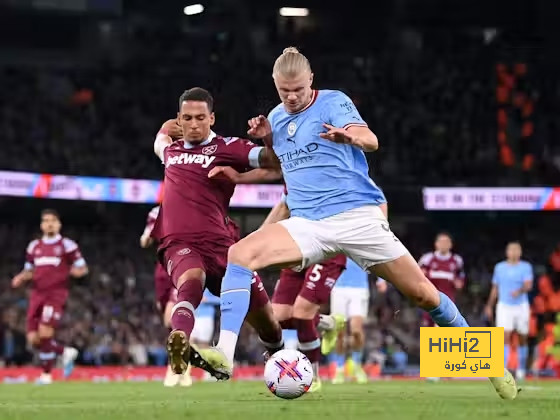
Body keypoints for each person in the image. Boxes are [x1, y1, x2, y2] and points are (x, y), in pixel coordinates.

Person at [195, 47, 518, 400]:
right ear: (275, 85)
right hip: (307, 223)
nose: (292, 97)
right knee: (240, 254)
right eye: (284, 91)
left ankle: (490, 366)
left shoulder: (334, 102)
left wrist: (350, 137)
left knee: (423, 295)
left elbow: (371, 140)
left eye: (298, 89)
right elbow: (280, 163)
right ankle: (224, 354)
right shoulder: (276, 117)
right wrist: (258, 152)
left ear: (311, 81)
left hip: (356, 218)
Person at [151, 87, 283, 380]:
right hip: (179, 242)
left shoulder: (229, 147)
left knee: (269, 324)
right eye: (187, 118)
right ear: (179, 120)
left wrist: (267, 137)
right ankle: (180, 342)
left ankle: (280, 359)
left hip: (224, 248)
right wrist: (163, 128)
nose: (194, 124)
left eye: (200, 117)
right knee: (190, 280)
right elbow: (160, 139)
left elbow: (275, 164)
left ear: (212, 118)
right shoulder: (170, 151)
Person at [11, 209, 87, 384]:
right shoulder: (34, 247)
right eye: (46, 221)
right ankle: (65, 352)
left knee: (45, 333)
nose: (49, 223)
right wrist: (20, 277)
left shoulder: (67, 245)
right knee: (33, 339)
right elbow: (29, 271)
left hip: (55, 294)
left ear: (59, 224)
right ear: (41, 225)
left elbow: (82, 268)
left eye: (53, 220)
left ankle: (46, 375)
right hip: (37, 294)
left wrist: (68, 272)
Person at [140, 205, 191, 387]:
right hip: (162, 269)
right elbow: (145, 239)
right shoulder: (156, 212)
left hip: (183, 262)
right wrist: (146, 239)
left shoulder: (188, 208)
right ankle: (184, 363)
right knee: (167, 321)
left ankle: (175, 367)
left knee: (172, 316)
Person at [418, 232, 465, 382]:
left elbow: (461, 279)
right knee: (429, 334)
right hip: (428, 301)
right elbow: (418, 277)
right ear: (436, 244)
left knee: (442, 333)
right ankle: (433, 368)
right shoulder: (427, 259)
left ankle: (440, 369)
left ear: (450, 245)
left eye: (447, 242)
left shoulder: (456, 261)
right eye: (441, 241)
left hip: (447, 303)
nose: (444, 244)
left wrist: (459, 284)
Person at [330, 259, 386, 384]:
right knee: (340, 332)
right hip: (338, 288)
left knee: (356, 330)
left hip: (359, 290)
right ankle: (339, 368)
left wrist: (381, 279)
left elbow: (375, 260)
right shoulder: (337, 242)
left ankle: (356, 365)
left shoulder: (361, 242)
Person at [486, 241, 533, 381]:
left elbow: (528, 285)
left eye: (516, 250)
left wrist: (519, 291)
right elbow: (495, 287)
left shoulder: (526, 267)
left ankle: (521, 369)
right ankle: (503, 369)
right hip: (504, 305)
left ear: (520, 252)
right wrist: (489, 305)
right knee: (503, 336)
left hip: (521, 305)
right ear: (507, 252)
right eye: (511, 250)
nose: (513, 252)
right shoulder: (499, 267)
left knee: (522, 337)